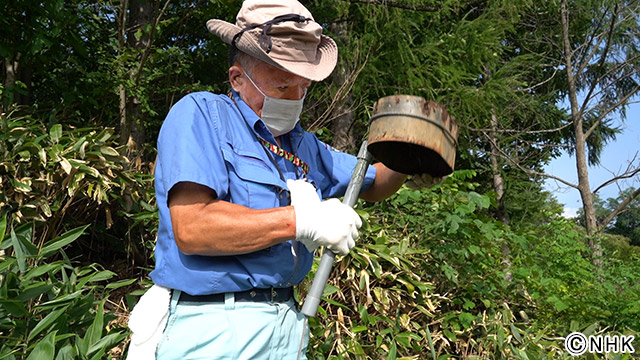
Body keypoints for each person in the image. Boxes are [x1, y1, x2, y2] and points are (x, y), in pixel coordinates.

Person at [126, 1, 441, 359]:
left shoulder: (303, 145)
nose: (295, 98)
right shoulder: (201, 116)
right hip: (213, 323)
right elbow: (192, 227)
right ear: (237, 78)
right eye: (282, 86)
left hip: (288, 326)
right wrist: (301, 221)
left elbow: (372, 183)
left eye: (303, 88)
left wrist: (408, 160)